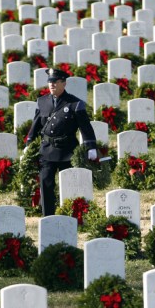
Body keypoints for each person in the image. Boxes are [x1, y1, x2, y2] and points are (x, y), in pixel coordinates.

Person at [25, 68, 98, 216]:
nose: (51, 85)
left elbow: (85, 127)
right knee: (45, 183)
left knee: (70, 186)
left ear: (63, 83)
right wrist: (29, 142)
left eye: (55, 82)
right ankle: (48, 216)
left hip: (67, 151)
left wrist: (91, 146)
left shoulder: (75, 103)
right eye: (49, 82)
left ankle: (71, 215)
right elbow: (36, 124)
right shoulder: (42, 101)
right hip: (47, 149)